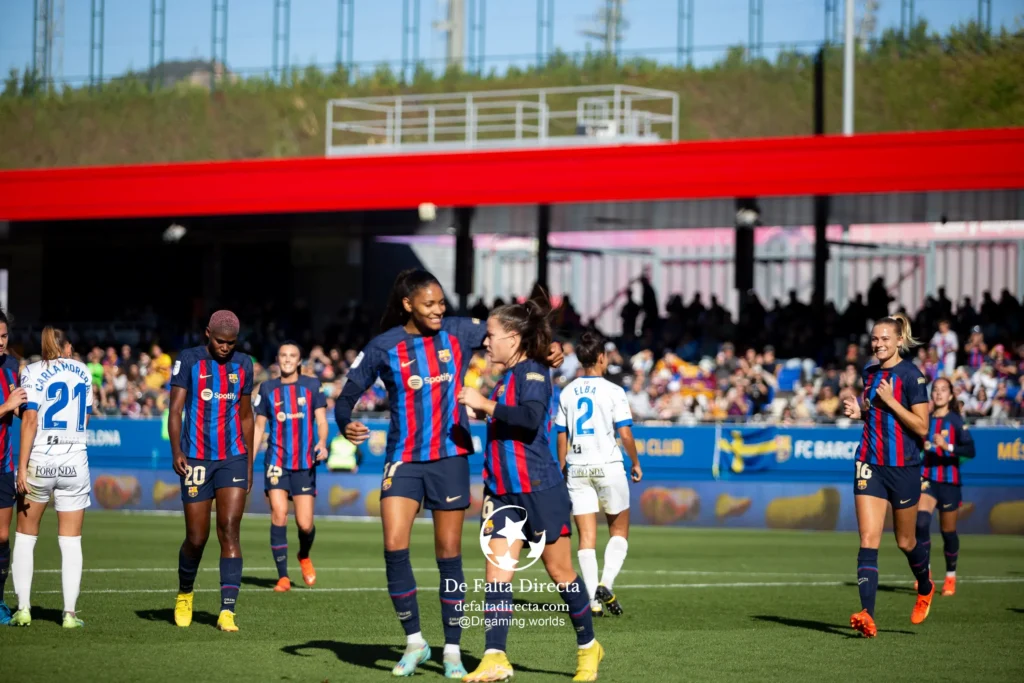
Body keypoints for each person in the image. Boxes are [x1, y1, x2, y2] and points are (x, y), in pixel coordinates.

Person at [459, 302, 603, 683]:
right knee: (497, 576)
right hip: (502, 493)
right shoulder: (507, 376)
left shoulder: (534, 371)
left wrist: (485, 405)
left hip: (539, 490)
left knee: (561, 574)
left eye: (491, 336)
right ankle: (495, 658)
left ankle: (589, 647)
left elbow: (530, 418)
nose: (486, 343)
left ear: (513, 337)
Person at [842, 313, 933, 638]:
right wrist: (861, 412)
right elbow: (874, 411)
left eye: (884, 338)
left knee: (906, 541)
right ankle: (867, 614)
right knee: (868, 540)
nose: (878, 344)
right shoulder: (869, 373)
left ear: (898, 341)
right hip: (869, 463)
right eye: (875, 338)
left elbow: (922, 426)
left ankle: (925, 584)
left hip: (904, 468)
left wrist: (892, 401)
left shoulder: (911, 376)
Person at [170, 311, 254, 633]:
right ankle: (185, 593)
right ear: (207, 334)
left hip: (232, 457)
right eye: (220, 341)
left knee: (230, 529)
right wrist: (177, 451)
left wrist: (247, 463)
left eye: (231, 343)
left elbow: (246, 416)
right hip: (196, 459)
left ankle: (227, 612)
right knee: (197, 537)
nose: (225, 347)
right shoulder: (189, 361)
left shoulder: (244, 364)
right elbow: (175, 410)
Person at [554, 330, 642, 618]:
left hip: (577, 467)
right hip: (607, 466)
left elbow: (561, 433)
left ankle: (591, 599)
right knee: (619, 531)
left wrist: (563, 465)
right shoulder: (614, 391)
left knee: (586, 538)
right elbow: (625, 433)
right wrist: (636, 462)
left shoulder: (567, 391)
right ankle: (606, 582)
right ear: (602, 358)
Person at [9, 327, 92, 628]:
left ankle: (23, 609)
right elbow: (83, 418)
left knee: (26, 536)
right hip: (75, 459)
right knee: (71, 541)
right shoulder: (83, 371)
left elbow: (30, 419)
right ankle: (69, 614)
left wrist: (21, 467)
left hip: (42, 458)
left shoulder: (30, 371)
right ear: (67, 346)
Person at [253, 341, 329, 592]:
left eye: (292, 355)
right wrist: (248, 462)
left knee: (305, 524)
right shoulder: (267, 389)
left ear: (299, 360)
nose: (287, 359)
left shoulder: (312, 386)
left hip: (304, 462)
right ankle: (283, 577)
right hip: (276, 460)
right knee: (279, 514)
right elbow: (258, 427)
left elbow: (321, 420)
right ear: (278, 359)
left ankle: (304, 556)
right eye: (283, 355)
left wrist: (322, 442)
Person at [916, 377, 975, 597]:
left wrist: (948, 446)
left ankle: (950, 576)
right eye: (935, 390)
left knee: (948, 531)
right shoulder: (926, 420)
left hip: (949, 482)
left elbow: (970, 450)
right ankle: (925, 575)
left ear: (950, 396)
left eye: (943, 390)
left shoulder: (956, 421)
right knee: (921, 524)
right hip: (927, 479)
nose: (939, 393)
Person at [0, 309, 27, 624]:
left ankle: (0, 601)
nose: (1, 342)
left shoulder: (10, 366)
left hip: (4, 466)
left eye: (4, 335)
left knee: (2, 538)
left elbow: (20, 410)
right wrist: (6, 406)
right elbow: (9, 405)